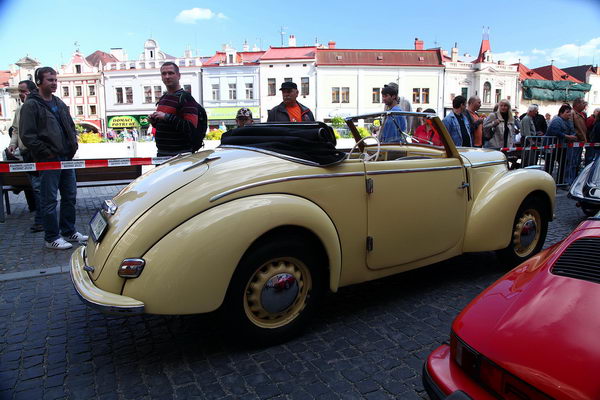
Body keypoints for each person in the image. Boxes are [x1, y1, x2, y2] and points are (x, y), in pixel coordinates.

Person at [20, 67, 88, 249]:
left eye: (55, 80)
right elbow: (27, 135)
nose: (54, 83)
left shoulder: (58, 102)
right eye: (50, 80)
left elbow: (70, 125)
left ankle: (68, 231)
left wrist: (73, 143)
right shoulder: (31, 105)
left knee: (70, 196)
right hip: (48, 160)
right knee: (49, 200)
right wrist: (46, 153)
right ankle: (51, 238)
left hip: (66, 158)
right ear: (39, 81)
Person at [7, 80, 44, 231]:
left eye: (22, 91)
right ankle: (41, 218)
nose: (20, 94)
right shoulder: (20, 109)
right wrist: (13, 143)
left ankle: (41, 220)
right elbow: (15, 129)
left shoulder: (37, 107)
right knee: (36, 187)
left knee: (38, 188)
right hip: (26, 152)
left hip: (36, 153)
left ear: (30, 91)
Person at [149, 62, 199, 156]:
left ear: (179, 76)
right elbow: (166, 126)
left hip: (180, 155)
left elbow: (190, 127)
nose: (167, 76)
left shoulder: (186, 98)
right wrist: (154, 121)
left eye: (171, 73)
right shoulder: (163, 98)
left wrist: (166, 116)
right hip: (162, 154)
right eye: (164, 74)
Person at [546, 104, 577, 185]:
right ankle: (546, 182)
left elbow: (572, 130)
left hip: (563, 147)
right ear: (561, 113)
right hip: (553, 146)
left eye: (570, 112)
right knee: (550, 165)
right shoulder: (557, 120)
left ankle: (560, 182)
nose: (569, 114)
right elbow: (555, 132)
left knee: (563, 164)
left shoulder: (569, 121)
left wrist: (572, 136)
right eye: (567, 112)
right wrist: (567, 136)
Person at [569, 98, 588, 184]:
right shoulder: (573, 113)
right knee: (572, 162)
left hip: (580, 142)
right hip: (575, 142)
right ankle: (570, 181)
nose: (585, 105)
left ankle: (574, 180)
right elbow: (571, 126)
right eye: (583, 103)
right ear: (577, 104)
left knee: (576, 162)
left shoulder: (581, 114)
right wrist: (575, 135)